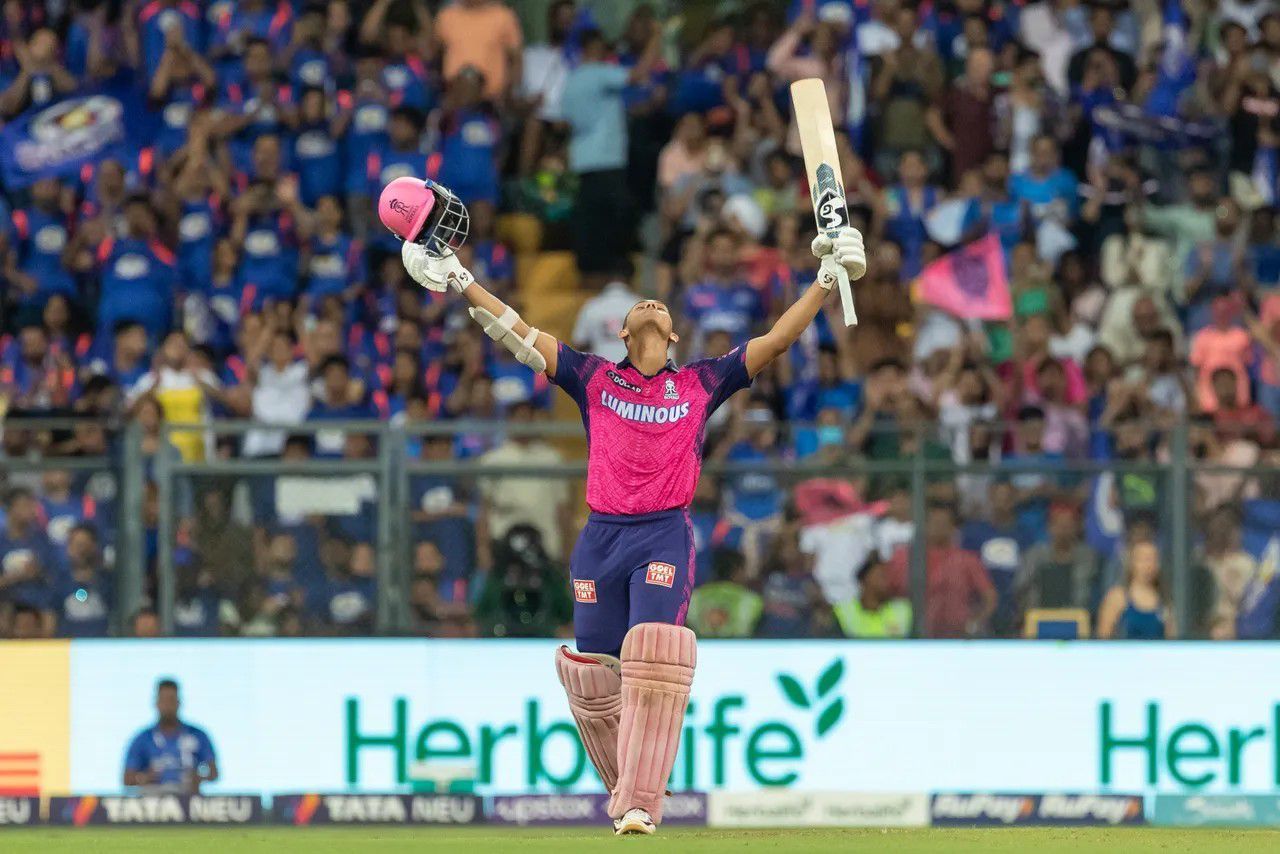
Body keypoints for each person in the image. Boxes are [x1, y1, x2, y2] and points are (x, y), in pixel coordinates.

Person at [391, 176, 866, 834]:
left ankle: (645, 800)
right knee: (591, 679)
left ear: (671, 337)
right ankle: (627, 797)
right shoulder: (594, 377)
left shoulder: (702, 382)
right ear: (622, 331)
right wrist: (459, 280)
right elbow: (522, 337)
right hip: (601, 537)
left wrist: (824, 275)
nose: (651, 303)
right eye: (642, 306)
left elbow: (777, 342)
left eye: (662, 308)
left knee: (654, 648)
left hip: (661, 535)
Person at [122, 678, 219, 793]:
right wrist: (146, 777)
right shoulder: (142, 739)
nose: (168, 706)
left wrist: (199, 777)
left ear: (179, 702)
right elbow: (127, 779)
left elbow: (213, 772)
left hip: (188, 799)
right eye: (164, 700)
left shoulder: (198, 735)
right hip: (153, 801)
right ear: (156, 703)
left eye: (171, 700)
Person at [1096, 539, 1174, 639]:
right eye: (1143, 560)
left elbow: (1171, 639)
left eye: (1152, 560)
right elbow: (1103, 637)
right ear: (1132, 563)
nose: (1148, 566)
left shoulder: (1164, 599)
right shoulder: (1117, 597)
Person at [834, 557, 912, 639]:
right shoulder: (844, 611)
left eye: (888, 576)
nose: (887, 581)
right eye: (881, 575)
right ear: (865, 579)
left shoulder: (903, 610)